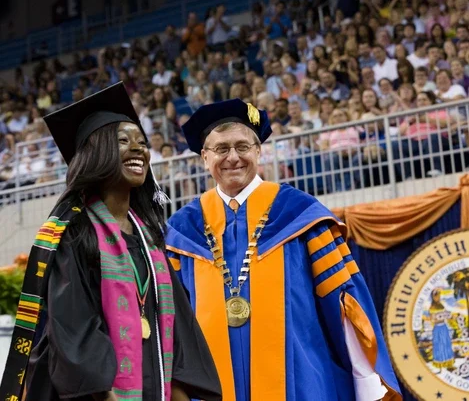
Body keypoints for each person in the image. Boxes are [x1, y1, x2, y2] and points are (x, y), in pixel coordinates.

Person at [165, 99, 402, 401]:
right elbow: (173, 325)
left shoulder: (300, 215)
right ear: (204, 157)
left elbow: (341, 303)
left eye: (243, 146)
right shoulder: (182, 231)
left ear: (259, 151)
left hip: (300, 383)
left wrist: (366, 379)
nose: (233, 157)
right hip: (210, 387)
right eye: (221, 149)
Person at [0, 82, 222, 401]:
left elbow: (179, 323)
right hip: (94, 392)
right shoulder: (75, 231)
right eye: (123, 140)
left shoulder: (149, 236)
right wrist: (103, 392)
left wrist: (179, 388)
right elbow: (73, 324)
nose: (138, 149)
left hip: (153, 382)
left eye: (141, 141)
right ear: (97, 153)